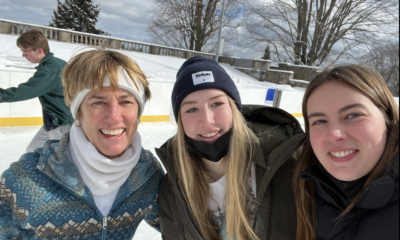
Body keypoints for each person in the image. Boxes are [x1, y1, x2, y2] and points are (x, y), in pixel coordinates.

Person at [0, 48, 164, 239]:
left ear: (138, 111)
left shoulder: (148, 173)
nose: (114, 116)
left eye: (126, 101)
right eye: (98, 102)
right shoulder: (26, 178)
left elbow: (179, 226)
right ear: (78, 112)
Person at [156, 56, 306, 240]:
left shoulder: (288, 164)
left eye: (217, 104)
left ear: (234, 108)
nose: (207, 120)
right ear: (180, 121)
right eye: (191, 109)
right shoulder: (171, 190)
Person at [293, 65, 399, 240]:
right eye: (319, 121)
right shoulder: (305, 191)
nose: (335, 134)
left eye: (353, 115)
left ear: (388, 119)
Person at [0, 29, 73, 152]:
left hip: (62, 124)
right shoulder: (58, 63)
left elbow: (25, 91)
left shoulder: (49, 71)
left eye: (25, 51)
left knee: (56, 157)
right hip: (54, 123)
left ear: (39, 50)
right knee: (32, 150)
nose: (23, 55)